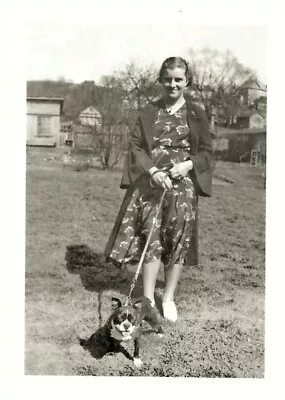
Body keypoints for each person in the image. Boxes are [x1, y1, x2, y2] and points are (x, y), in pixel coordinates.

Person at [105, 57, 212, 322]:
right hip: (151, 185)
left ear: (187, 81)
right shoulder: (148, 111)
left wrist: (188, 165)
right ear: (160, 81)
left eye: (178, 79)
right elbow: (136, 146)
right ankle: (150, 298)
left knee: (178, 238)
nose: (172, 85)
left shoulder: (197, 113)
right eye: (168, 79)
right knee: (150, 239)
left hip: (183, 189)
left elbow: (207, 153)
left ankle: (169, 298)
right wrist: (152, 172)